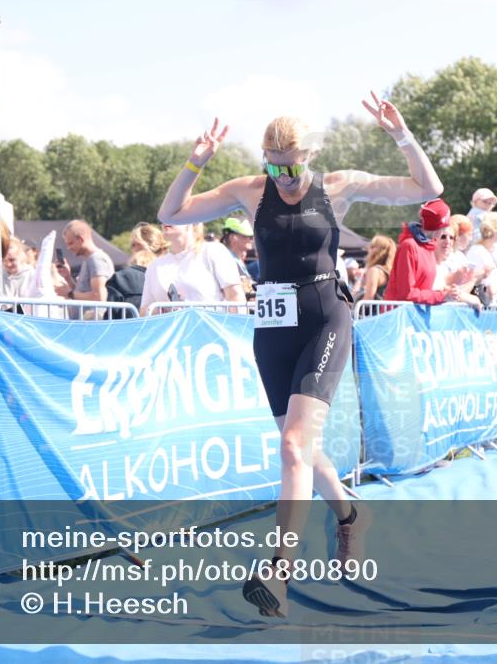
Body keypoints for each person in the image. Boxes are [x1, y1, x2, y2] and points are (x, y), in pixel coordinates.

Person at [155, 93, 444, 618]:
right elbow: (170, 212)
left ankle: (278, 572)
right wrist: (196, 161)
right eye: (275, 167)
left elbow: (429, 188)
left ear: (309, 156)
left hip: (324, 315)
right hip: (272, 325)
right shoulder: (250, 190)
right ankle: (351, 515)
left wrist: (401, 135)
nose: (285, 178)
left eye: (292, 167)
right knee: (302, 449)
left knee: (293, 444)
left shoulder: (338, 187)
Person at [139, 222, 244, 315]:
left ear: (192, 222)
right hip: (172, 335)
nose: (166, 219)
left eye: (174, 215)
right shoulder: (155, 266)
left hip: (210, 334)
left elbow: (235, 296)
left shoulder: (213, 251)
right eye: (164, 216)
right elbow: (144, 312)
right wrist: (164, 309)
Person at [385, 199, 462, 304]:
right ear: (437, 226)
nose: (444, 231)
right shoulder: (409, 246)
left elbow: (425, 288)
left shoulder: (430, 246)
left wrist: (447, 292)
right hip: (399, 316)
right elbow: (406, 294)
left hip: (415, 316)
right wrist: (441, 295)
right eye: (444, 227)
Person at [57, 220, 115, 319]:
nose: (68, 248)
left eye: (70, 243)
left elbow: (99, 297)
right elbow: (83, 293)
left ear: (80, 239)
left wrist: (69, 294)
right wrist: (68, 278)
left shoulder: (96, 259)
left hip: (92, 327)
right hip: (85, 325)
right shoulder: (89, 259)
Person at [106, 222, 166, 318]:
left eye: (135, 245)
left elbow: (110, 317)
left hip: (128, 330)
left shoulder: (120, 279)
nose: (132, 249)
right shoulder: (170, 273)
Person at [433, 225, 483, 309]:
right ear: (433, 238)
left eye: (451, 238)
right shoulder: (428, 264)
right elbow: (440, 292)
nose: (447, 241)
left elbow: (452, 293)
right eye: (443, 237)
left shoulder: (442, 267)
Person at [221, 217, 257, 298]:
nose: (252, 240)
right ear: (233, 237)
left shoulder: (235, 260)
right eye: (248, 236)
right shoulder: (226, 261)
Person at [355, 235, 396, 302]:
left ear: (378, 251)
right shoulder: (391, 270)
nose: (368, 249)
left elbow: (368, 299)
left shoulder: (374, 271)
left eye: (372, 247)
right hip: (388, 310)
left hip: (377, 311)